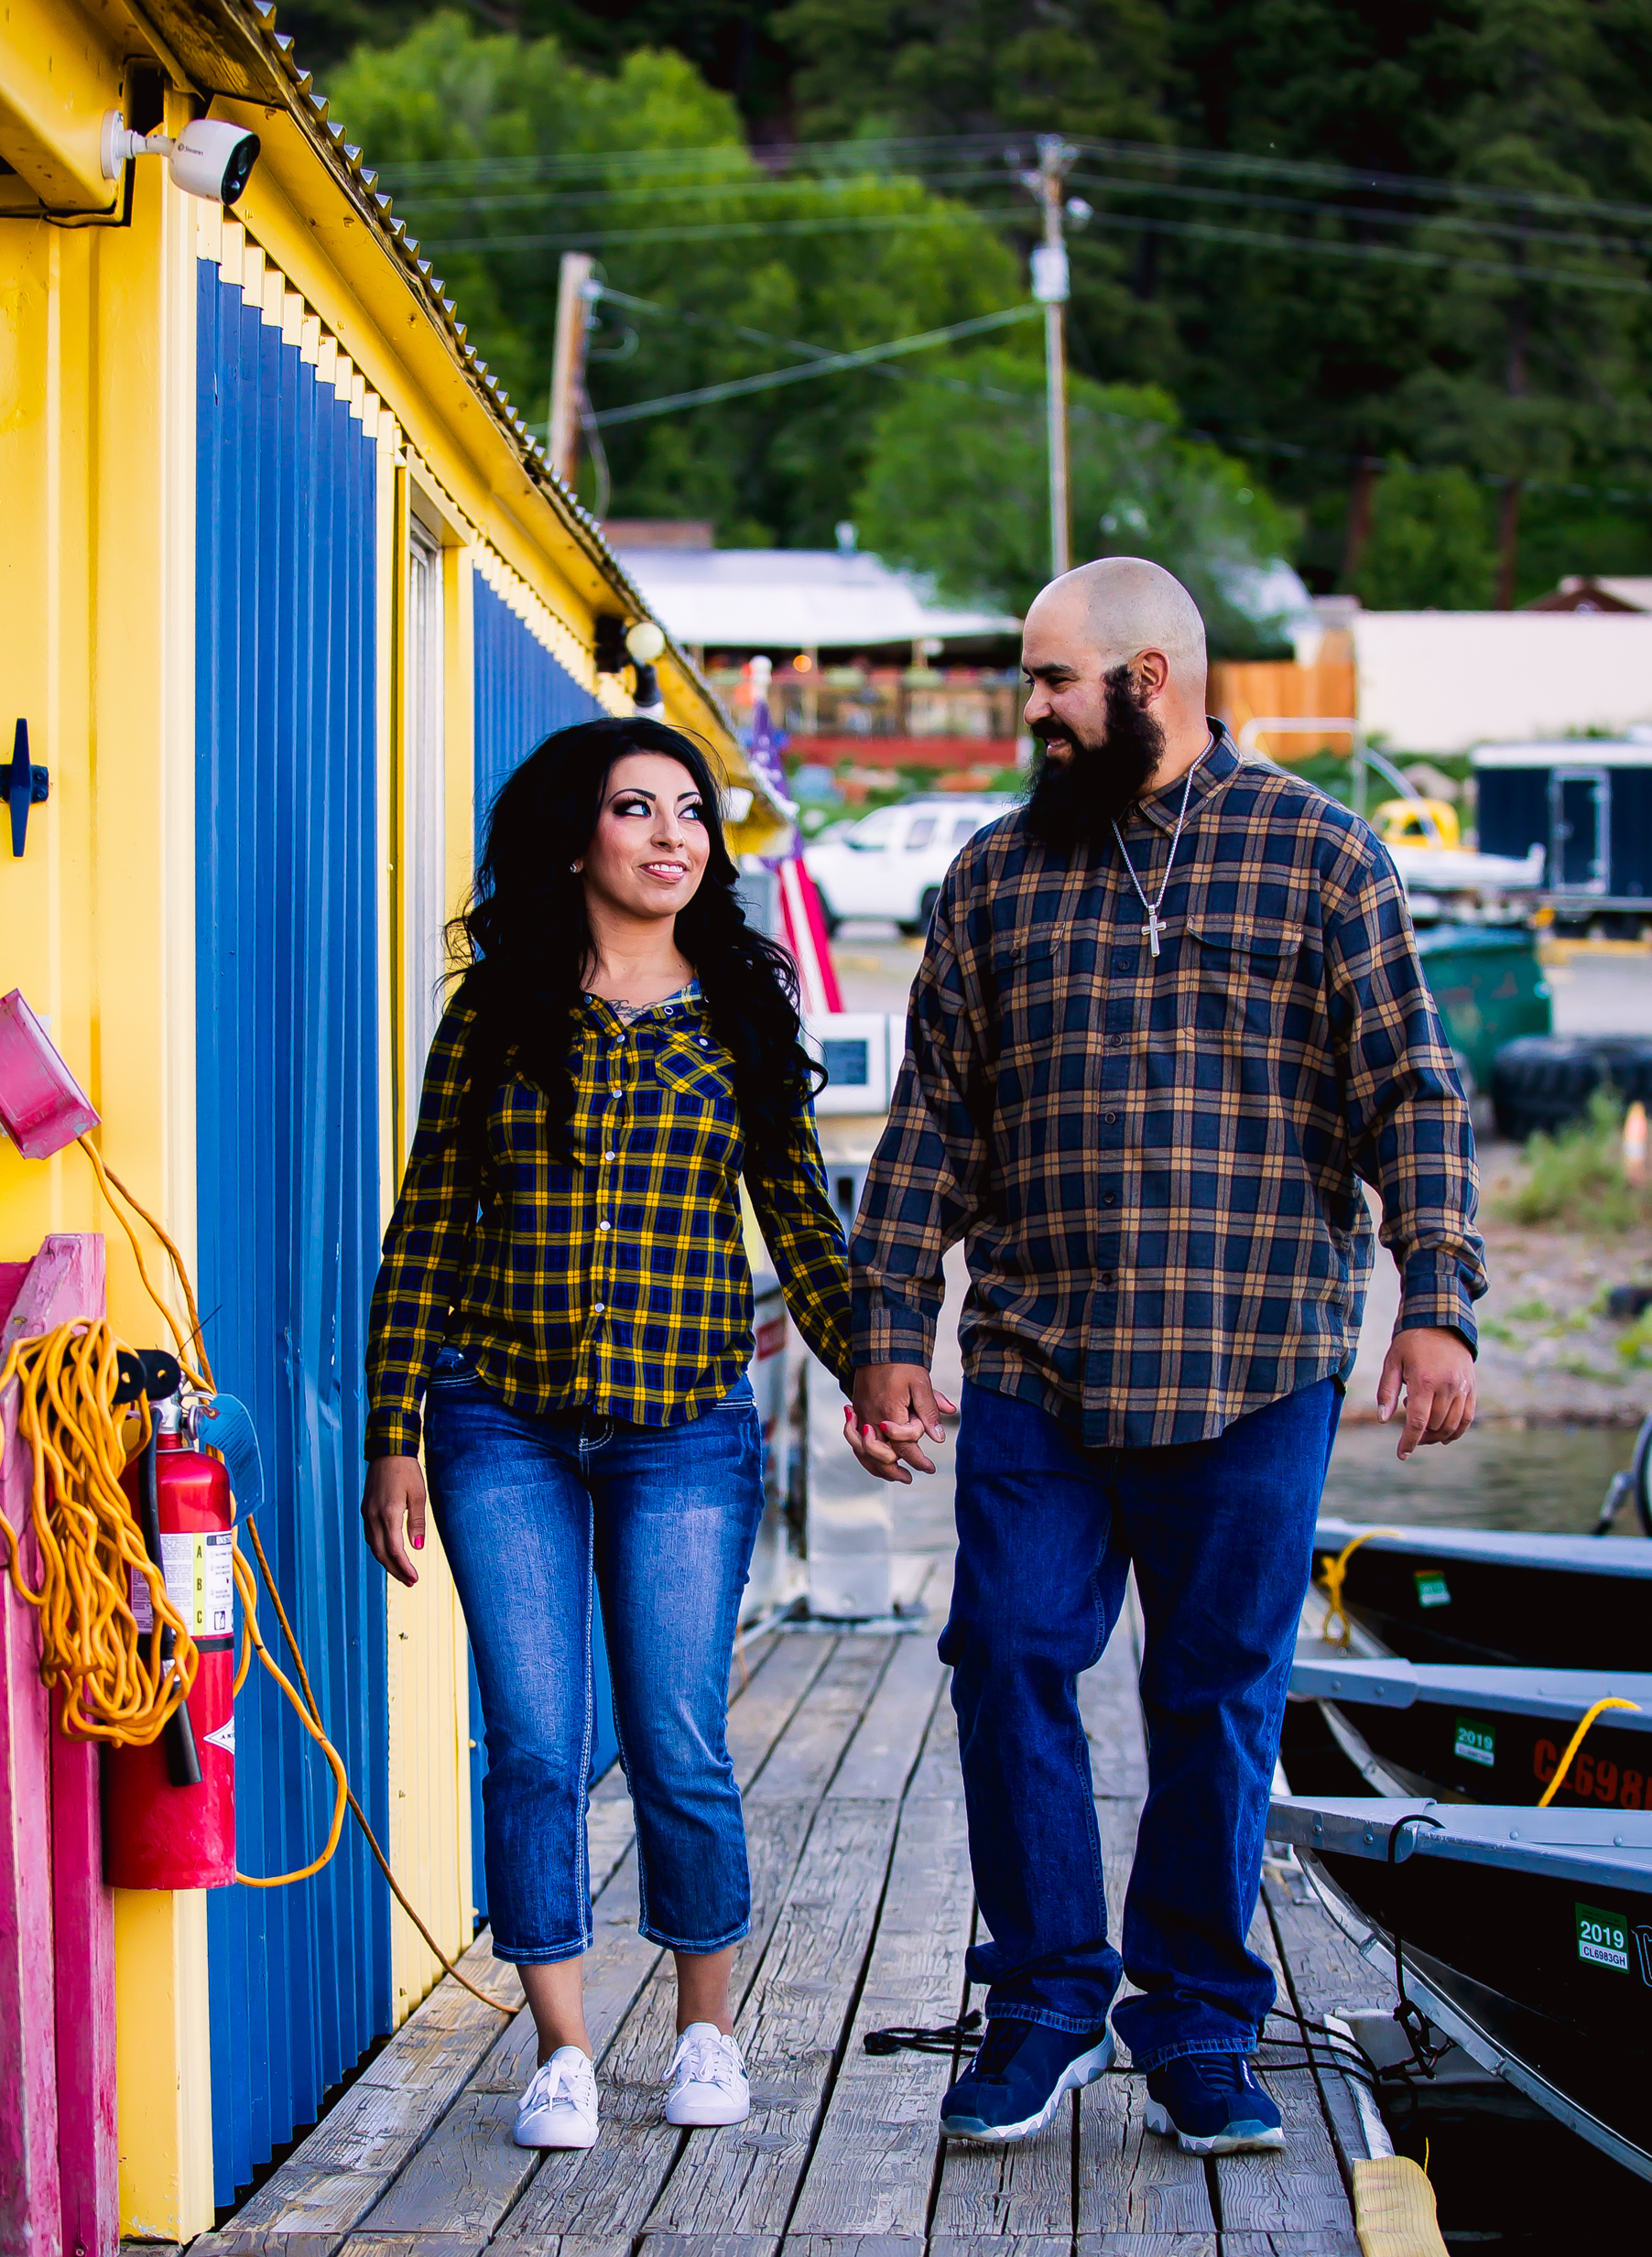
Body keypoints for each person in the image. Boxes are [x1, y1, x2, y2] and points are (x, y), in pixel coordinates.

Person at [843, 558, 1483, 2155]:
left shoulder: (1324, 855)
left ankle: (1199, 2023)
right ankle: (1048, 2001)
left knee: (1216, 1699)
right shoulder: (993, 878)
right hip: (1039, 1364)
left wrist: (1437, 1300)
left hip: (1256, 1360)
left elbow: (1413, 1091)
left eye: (1054, 682)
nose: (1032, 713)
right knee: (1005, 1652)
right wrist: (884, 1336)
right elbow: (931, 1124)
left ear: (1148, 676)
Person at [363, 717, 850, 2153]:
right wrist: (395, 1430)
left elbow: (803, 1226)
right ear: (579, 837)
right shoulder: (500, 1010)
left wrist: (875, 1364)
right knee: (533, 1738)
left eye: (690, 814)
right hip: (496, 1418)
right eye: (637, 811)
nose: (670, 837)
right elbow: (428, 1226)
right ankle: (562, 2047)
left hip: (683, 1431)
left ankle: (707, 2028)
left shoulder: (745, 1018)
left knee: (676, 1736)